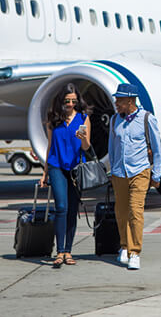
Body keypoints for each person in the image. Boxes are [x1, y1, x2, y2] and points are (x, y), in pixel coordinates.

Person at [108, 83, 161, 270]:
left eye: (119, 100)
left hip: (139, 171)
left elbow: (156, 149)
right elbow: (112, 148)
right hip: (119, 173)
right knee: (121, 212)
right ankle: (124, 246)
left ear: (130, 100)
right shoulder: (115, 119)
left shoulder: (147, 119)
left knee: (135, 211)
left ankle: (135, 252)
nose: (116, 103)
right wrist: (112, 171)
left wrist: (157, 173)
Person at [39, 83, 91, 268]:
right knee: (61, 207)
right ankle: (59, 251)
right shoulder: (54, 119)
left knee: (71, 209)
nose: (70, 104)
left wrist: (83, 138)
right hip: (56, 166)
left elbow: (86, 147)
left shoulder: (83, 118)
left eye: (73, 101)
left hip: (75, 168)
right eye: (67, 101)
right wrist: (45, 172)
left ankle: (68, 250)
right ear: (61, 101)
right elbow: (50, 146)